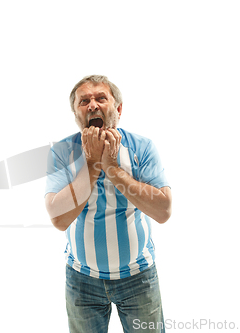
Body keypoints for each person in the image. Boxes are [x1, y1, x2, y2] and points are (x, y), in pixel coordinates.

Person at [44, 75, 172, 333]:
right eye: (84, 101)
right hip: (82, 280)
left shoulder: (142, 147)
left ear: (118, 109)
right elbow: (59, 219)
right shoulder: (62, 152)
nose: (92, 105)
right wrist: (91, 166)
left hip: (139, 278)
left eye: (101, 98)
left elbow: (163, 211)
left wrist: (112, 169)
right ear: (76, 113)